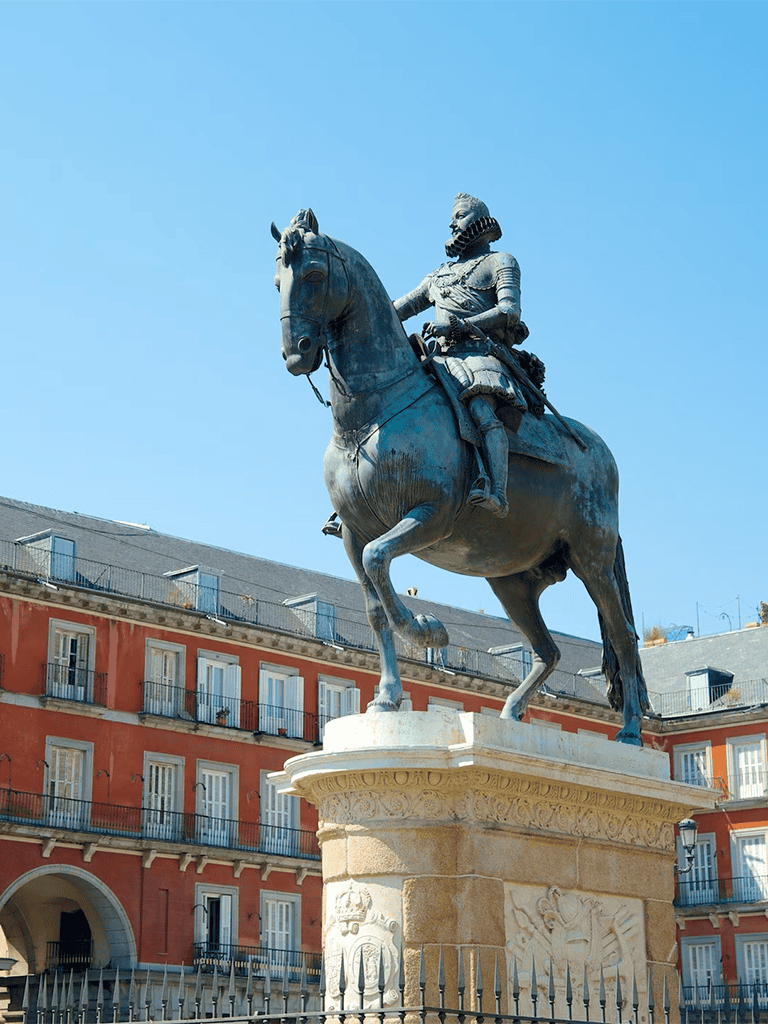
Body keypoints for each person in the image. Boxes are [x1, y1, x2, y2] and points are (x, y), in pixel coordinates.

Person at [393, 193, 529, 517]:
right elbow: (398, 309)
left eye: (461, 215)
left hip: (478, 354)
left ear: (480, 221)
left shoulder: (501, 261)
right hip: (436, 358)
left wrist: (456, 326)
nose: (453, 222)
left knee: (482, 411)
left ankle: (498, 493)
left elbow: (509, 310)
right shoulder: (438, 275)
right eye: (453, 217)